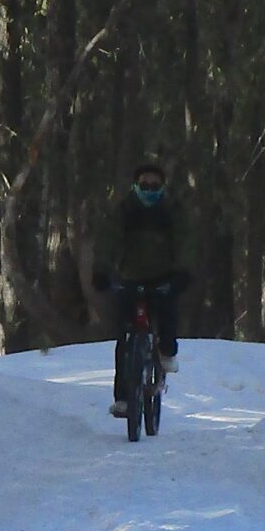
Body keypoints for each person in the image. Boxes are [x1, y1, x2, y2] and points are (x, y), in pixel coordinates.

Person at [92, 160, 198, 418]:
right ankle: (123, 398)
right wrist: (102, 270)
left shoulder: (172, 210)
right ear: (135, 186)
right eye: (144, 185)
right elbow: (108, 239)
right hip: (130, 276)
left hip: (164, 276)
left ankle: (166, 351)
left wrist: (183, 272)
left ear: (162, 186)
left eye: (155, 185)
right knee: (125, 339)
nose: (149, 189)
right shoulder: (124, 210)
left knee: (167, 313)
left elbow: (185, 241)